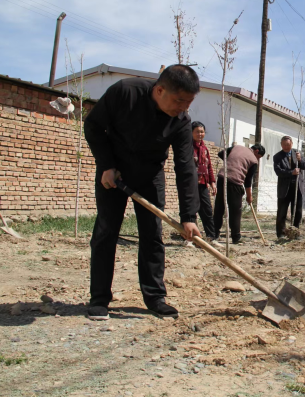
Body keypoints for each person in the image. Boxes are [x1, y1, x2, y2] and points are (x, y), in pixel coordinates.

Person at [84, 64, 202, 321]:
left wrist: (189, 216)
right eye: (179, 100)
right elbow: (93, 126)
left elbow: (185, 168)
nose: (183, 108)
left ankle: (155, 298)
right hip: (113, 174)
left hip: (150, 177)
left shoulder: (181, 122)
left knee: (152, 235)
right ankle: (100, 298)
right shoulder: (124, 92)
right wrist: (105, 165)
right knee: (106, 231)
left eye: (189, 103)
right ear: (159, 90)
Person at [212, 143, 266, 244]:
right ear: (257, 151)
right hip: (235, 183)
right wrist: (249, 197)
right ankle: (236, 237)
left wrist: (231, 163)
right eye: (259, 157)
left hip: (222, 178)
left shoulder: (237, 147)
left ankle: (214, 234)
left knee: (219, 207)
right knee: (235, 211)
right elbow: (248, 181)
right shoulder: (253, 161)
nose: (258, 159)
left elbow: (221, 153)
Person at [273, 136, 305, 238]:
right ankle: (281, 233)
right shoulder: (277, 156)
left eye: (288, 145)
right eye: (284, 145)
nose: (286, 147)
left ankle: (295, 232)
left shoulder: (297, 153)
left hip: (298, 187)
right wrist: (291, 172)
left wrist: (300, 159)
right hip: (284, 188)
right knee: (282, 211)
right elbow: (278, 171)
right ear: (281, 145)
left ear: (292, 144)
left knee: (297, 211)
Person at [192, 121, 217, 240]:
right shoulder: (188, 147)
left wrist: (212, 182)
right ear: (191, 133)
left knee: (207, 209)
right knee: (191, 210)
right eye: (197, 132)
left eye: (202, 132)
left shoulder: (205, 149)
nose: (200, 134)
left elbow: (209, 167)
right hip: (190, 184)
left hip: (203, 184)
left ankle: (211, 236)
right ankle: (190, 237)